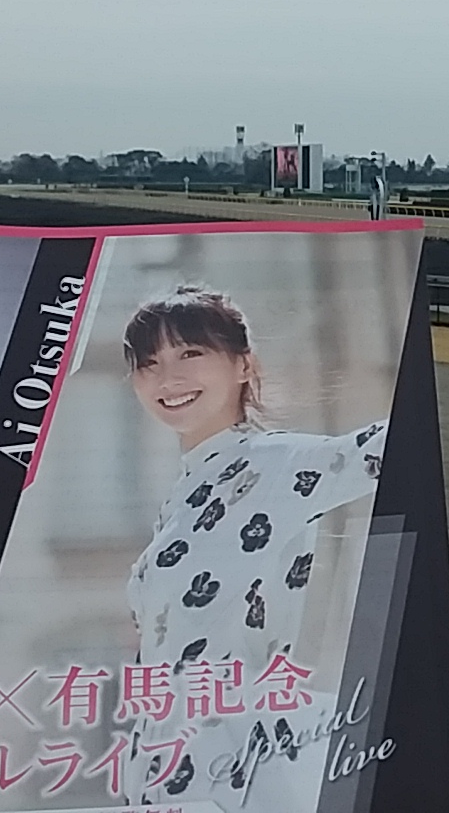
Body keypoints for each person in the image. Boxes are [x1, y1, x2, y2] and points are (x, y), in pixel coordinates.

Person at [121, 285, 386, 809]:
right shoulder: (180, 498)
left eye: (190, 353)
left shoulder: (277, 462)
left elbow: (381, 447)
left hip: (234, 765)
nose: (167, 378)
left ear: (244, 365)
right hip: (165, 763)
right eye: (149, 363)